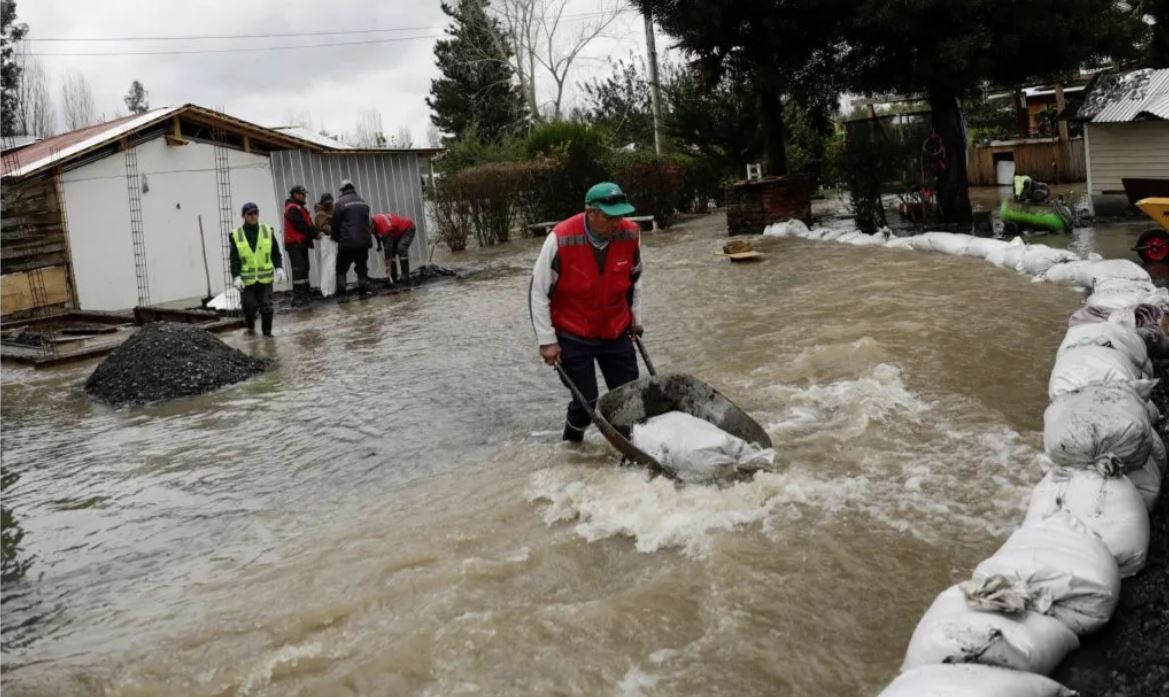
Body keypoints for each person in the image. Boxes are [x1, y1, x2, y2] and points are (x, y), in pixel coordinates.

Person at [529, 182, 644, 443]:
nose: (617, 222)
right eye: (610, 216)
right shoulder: (560, 238)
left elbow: (635, 280)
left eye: (620, 216)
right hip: (573, 333)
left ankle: (631, 451)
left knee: (628, 397)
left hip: (615, 328)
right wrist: (547, 341)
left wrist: (636, 319)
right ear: (591, 213)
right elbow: (537, 291)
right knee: (586, 401)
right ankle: (572, 447)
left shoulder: (630, 234)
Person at [230, 202, 285, 337]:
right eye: (250, 214)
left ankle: (267, 334)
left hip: (265, 279)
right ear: (243, 216)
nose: (253, 216)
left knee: (267, 307)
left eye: (255, 213)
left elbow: (275, 253)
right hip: (247, 281)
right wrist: (236, 277)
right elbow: (234, 258)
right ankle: (250, 328)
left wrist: (279, 268)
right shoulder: (237, 235)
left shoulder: (267, 231)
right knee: (250, 307)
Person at [331, 179, 372, 297]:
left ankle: (343, 296)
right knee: (362, 268)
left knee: (341, 269)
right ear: (353, 188)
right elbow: (366, 223)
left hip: (347, 243)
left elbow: (335, 224)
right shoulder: (363, 202)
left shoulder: (339, 203)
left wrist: (336, 238)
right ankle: (363, 293)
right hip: (363, 243)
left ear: (342, 190)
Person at [283, 184, 317, 305]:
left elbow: (307, 224)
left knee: (304, 268)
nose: (304, 197)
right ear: (296, 194)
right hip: (295, 244)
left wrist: (314, 232)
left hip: (300, 243)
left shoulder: (298, 207)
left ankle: (305, 293)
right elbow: (301, 226)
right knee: (299, 270)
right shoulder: (293, 208)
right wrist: (315, 233)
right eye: (302, 194)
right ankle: (299, 296)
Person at [371, 212, 417, 287]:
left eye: (370, 229)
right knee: (391, 253)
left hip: (407, 228)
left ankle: (405, 276)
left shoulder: (384, 228)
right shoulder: (373, 223)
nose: (370, 232)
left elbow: (387, 248)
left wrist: (388, 267)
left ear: (372, 224)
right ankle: (393, 277)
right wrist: (379, 244)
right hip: (395, 233)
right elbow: (376, 233)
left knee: (401, 248)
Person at [314, 193, 337, 298]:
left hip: (333, 240)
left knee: (333, 266)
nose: (330, 204)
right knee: (328, 266)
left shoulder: (332, 211)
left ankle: (331, 289)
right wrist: (337, 231)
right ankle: (327, 291)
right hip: (327, 241)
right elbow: (324, 227)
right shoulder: (320, 214)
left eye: (331, 202)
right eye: (328, 203)